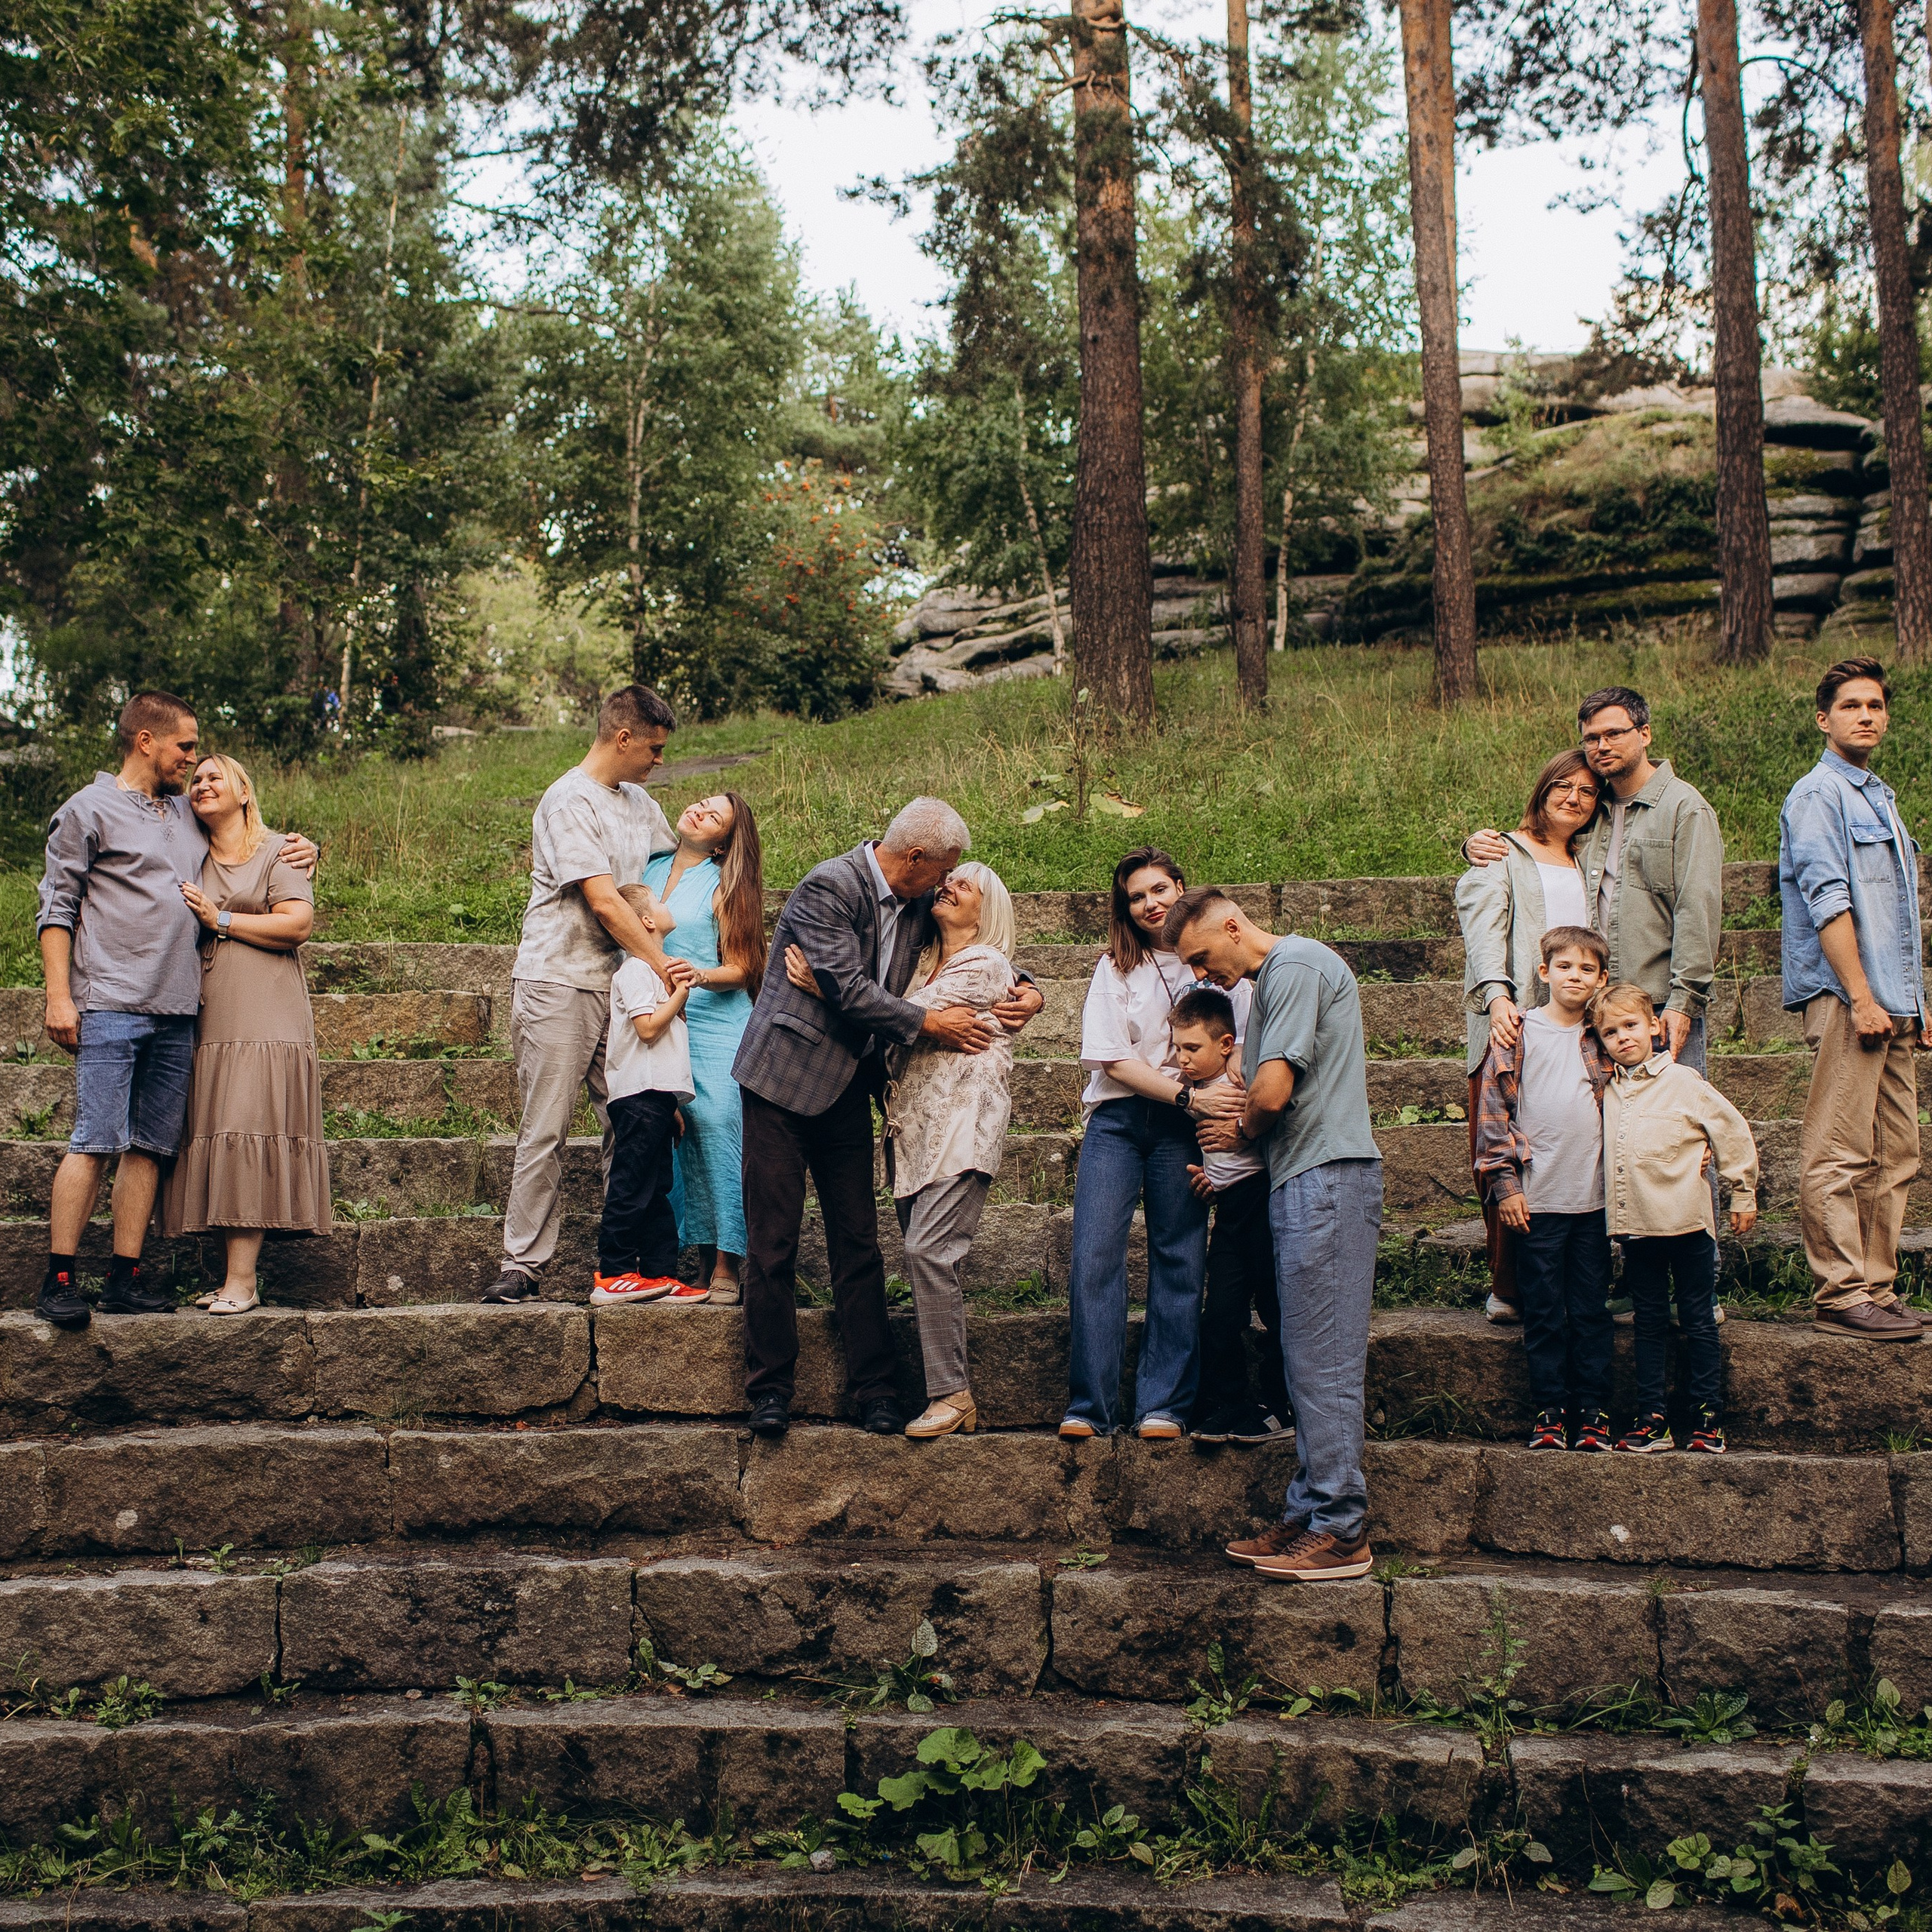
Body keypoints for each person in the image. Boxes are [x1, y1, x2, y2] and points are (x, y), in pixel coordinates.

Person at [732, 799, 1043, 1438]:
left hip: (851, 1084)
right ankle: (770, 1389)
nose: (946, 884)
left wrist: (1029, 988)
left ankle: (874, 1390)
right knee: (772, 1243)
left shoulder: (918, 899)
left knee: (858, 1243)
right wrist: (930, 1023)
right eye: (945, 871)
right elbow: (847, 987)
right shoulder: (831, 886)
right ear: (916, 858)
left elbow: (978, 950)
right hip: (783, 1081)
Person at [35, 692, 315, 1330]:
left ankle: (124, 1277)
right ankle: (59, 1278)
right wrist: (58, 996)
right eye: (185, 746)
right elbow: (58, 907)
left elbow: (247, 834)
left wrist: (306, 849)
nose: (192, 760)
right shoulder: (86, 809)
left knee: (150, 1147)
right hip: (110, 1000)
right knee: (95, 1139)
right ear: (146, 742)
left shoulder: (187, 813)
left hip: (179, 1008)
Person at [1169, 888, 1383, 1584]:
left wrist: (1237, 1130)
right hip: (1304, 1178)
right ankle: (1310, 1509)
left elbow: (1270, 1093)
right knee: (1305, 1356)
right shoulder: (1273, 983)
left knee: (1324, 1361)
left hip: (1327, 1178)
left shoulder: (1294, 966)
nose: (1201, 974)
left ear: (1234, 926)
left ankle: (1341, 1529)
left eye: (1202, 955)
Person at [785, 861, 1018, 1438]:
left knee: (927, 1250)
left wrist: (825, 987)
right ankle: (951, 1394)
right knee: (929, 1256)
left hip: (962, 1130)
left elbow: (889, 1020)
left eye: (965, 885)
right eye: (948, 878)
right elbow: (898, 1018)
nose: (949, 886)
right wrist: (860, 999)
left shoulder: (986, 965)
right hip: (913, 1139)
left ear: (987, 911)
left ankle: (952, 1394)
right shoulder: (920, 968)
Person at [484, 685, 679, 1306]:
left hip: (621, 988)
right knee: (546, 1129)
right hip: (558, 981)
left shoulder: (641, 804)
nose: (659, 761)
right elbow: (604, 901)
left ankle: (628, 1262)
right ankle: (522, 1264)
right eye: (653, 749)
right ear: (623, 738)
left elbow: (678, 863)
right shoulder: (568, 800)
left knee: (632, 1124)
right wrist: (664, 966)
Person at [1057, 849, 1247, 1443]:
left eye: (1159, 890)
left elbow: (1240, 1041)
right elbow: (1112, 1059)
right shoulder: (1116, 967)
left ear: (1181, 888)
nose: (1149, 904)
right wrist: (1188, 1098)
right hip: (1118, 1120)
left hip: (1182, 1129)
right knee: (1094, 1254)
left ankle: (1164, 1405)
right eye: (1136, 897)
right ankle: (1090, 1407)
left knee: (1179, 1257)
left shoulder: (1215, 964)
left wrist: (1220, 1105)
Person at [1463, 688, 1724, 1072]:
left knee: (1670, 1108)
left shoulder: (1685, 810)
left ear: (1645, 734)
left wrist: (1684, 1001)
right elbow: (1541, 843)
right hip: (1593, 1004)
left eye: (1614, 734)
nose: (1602, 746)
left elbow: (1697, 910)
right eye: (1591, 738)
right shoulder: (1592, 808)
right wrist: (1478, 844)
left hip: (1656, 1003)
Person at [1781, 657, 1926, 1343]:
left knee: (1895, 1153)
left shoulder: (1879, 798)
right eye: (1850, 706)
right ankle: (1840, 1293)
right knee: (1839, 1151)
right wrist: (1863, 997)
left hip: (1892, 1000)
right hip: (1850, 997)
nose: (1865, 715)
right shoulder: (1819, 795)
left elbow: (1898, 916)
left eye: (1875, 705)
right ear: (1824, 719)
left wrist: (1913, 1002)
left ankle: (1876, 1287)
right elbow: (1829, 901)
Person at [160, 755, 331, 1311]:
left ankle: (243, 1281)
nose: (202, 784)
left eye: (216, 777)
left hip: (266, 1015)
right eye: (196, 779)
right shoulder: (190, 853)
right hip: (209, 1014)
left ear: (244, 793)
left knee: (245, 1127)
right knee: (220, 1129)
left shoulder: (279, 851)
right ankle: (233, 1276)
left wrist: (223, 920)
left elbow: (298, 923)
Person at [1455, 749, 1604, 1325]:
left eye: (1587, 791)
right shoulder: (1503, 852)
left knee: (1567, 1148)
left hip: (1579, 1025)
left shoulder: (1590, 858)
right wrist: (1498, 999)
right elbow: (1483, 928)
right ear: (1542, 791)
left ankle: (1568, 1280)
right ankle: (1507, 1284)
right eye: (1562, 786)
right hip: (1514, 1020)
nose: (1573, 798)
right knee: (1501, 1147)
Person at [1592, 983, 1759, 1454]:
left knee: (1697, 1320)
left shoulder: (1685, 1082)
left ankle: (1708, 1419)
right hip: (1639, 1229)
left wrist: (1742, 1193)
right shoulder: (1607, 1090)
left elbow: (1730, 1131)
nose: (1623, 1038)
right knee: (1648, 1322)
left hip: (1688, 1225)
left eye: (1631, 1026)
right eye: (1610, 1032)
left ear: (1654, 1026)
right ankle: (1653, 1420)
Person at [1469, 926, 1614, 1451]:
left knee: (1591, 1311)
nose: (1575, 977)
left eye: (1587, 969)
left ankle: (1595, 1413)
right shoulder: (1518, 1032)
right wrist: (1505, 1184)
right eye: (1565, 966)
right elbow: (1493, 1113)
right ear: (1544, 971)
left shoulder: (1604, 1037)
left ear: (1602, 979)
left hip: (1595, 1203)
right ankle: (1550, 1412)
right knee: (1546, 1313)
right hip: (1538, 1204)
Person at [642, 792, 765, 1305]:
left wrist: (699, 975)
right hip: (656, 1019)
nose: (698, 811)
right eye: (700, 803)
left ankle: (726, 1262)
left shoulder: (724, 883)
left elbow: (744, 967)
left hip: (716, 1021)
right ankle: (675, 1257)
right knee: (663, 1130)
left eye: (713, 816)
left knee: (715, 1126)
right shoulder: (648, 867)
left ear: (721, 845)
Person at [1174, 986, 1290, 1446]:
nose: (1182, 1058)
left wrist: (1241, 1056)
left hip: (1262, 1201)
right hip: (1227, 1211)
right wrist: (1210, 1177)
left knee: (1276, 1307)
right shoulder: (1191, 1092)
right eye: (1178, 1048)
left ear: (1224, 1044)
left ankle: (1281, 1404)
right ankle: (1230, 1403)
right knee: (1220, 1312)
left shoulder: (1241, 1077)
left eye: (1192, 1048)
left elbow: (1273, 1116)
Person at [592, 883, 701, 1306]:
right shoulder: (636, 969)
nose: (666, 903)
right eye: (659, 900)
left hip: (655, 1098)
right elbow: (649, 1029)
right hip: (638, 1098)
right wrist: (681, 994)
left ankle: (660, 1274)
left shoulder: (651, 971)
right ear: (647, 921)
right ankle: (614, 1272)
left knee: (657, 1188)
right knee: (632, 1184)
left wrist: (669, 1104)